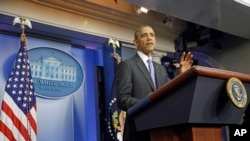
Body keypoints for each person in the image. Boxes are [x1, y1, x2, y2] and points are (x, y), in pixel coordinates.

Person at [115, 25, 193, 141]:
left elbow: (170, 93)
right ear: (135, 42)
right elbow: (122, 99)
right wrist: (148, 103)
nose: (149, 38)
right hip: (138, 132)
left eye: (152, 35)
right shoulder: (127, 65)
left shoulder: (160, 69)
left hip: (161, 130)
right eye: (144, 35)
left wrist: (181, 75)